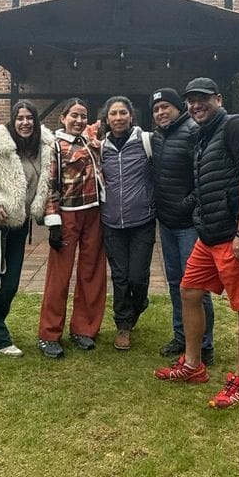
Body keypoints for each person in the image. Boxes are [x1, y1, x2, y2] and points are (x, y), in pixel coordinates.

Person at [155, 77, 239, 408]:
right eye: (191, 100)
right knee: (189, 291)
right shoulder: (202, 135)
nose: (196, 105)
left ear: (218, 99)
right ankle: (193, 364)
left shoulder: (235, 125)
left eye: (203, 98)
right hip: (210, 233)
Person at [0, 100, 54, 357]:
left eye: (29, 118)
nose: (25, 123)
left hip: (20, 225)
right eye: (20, 118)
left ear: (36, 121)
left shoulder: (44, 148)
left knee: (11, 284)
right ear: (13, 121)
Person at [149, 87, 215, 362]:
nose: (161, 112)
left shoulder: (194, 132)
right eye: (156, 109)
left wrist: (185, 205)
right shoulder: (156, 137)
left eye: (165, 106)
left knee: (196, 285)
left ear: (178, 107)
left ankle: (204, 344)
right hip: (166, 223)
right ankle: (182, 336)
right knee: (176, 283)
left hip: (189, 225)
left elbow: (204, 177)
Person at [37, 98, 107, 357]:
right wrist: (53, 221)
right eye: (74, 115)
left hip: (94, 213)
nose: (79, 120)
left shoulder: (90, 142)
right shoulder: (55, 146)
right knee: (59, 276)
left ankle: (84, 328)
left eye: (83, 116)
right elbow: (49, 185)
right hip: (67, 216)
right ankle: (49, 334)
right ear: (63, 118)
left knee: (92, 272)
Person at [96, 95, 156, 351]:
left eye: (123, 113)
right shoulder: (100, 147)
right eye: (113, 113)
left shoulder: (147, 141)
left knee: (137, 277)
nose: (118, 118)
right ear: (107, 118)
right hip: (111, 223)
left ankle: (139, 303)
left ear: (131, 116)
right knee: (120, 277)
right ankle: (123, 325)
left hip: (142, 221)